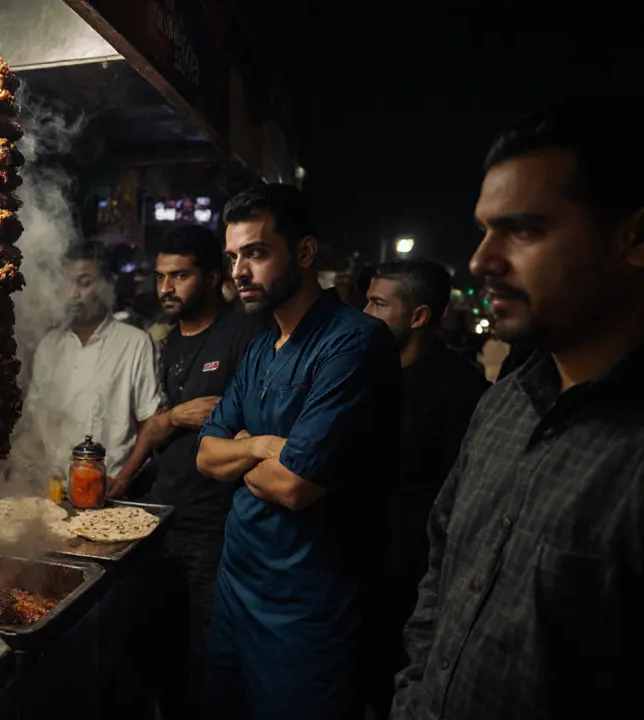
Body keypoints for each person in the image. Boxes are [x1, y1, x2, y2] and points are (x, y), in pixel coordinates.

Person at [391, 100, 644, 720]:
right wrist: (414, 697)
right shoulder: (504, 404)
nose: (481, 261)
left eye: (524, 230)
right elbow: (441, 570)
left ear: (634, 239)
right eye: (484, 229)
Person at [196, 183, 401, 719]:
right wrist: (263, 447)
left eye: (257, 253)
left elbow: (293, 486)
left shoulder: (354, 342)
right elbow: (205, 456)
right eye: (233, 256)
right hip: (236, 587)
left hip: (307, 609)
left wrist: (240, 451)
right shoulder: (263, 346)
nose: (240, 271)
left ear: (304, 253)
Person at [110, 224, 267, 718]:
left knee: (208, 651)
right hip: (161, 516)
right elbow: (156, 427)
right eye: (161, 277)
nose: (166, 288)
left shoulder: (245, 335)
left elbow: (252, 432)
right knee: (162, 646)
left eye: (180, 275)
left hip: (215, 523)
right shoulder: (169, 342)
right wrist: (172, 420)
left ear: (214, 275)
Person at [360, 259, 489, 718]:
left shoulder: (463, 390)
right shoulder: (361, 374)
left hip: (412, 585)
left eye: (377, 303)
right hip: (350, 571)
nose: (365, 313)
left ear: (418, 317)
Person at [15, 241, 161, 481]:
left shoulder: (135, 343)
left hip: (109, 484)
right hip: (54, 485)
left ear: (107, 285)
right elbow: (35, 418)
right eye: (67, 283)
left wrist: (123, 479)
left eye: (85, 283)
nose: (73, 294)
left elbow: (149, 422)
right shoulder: (50, 345)